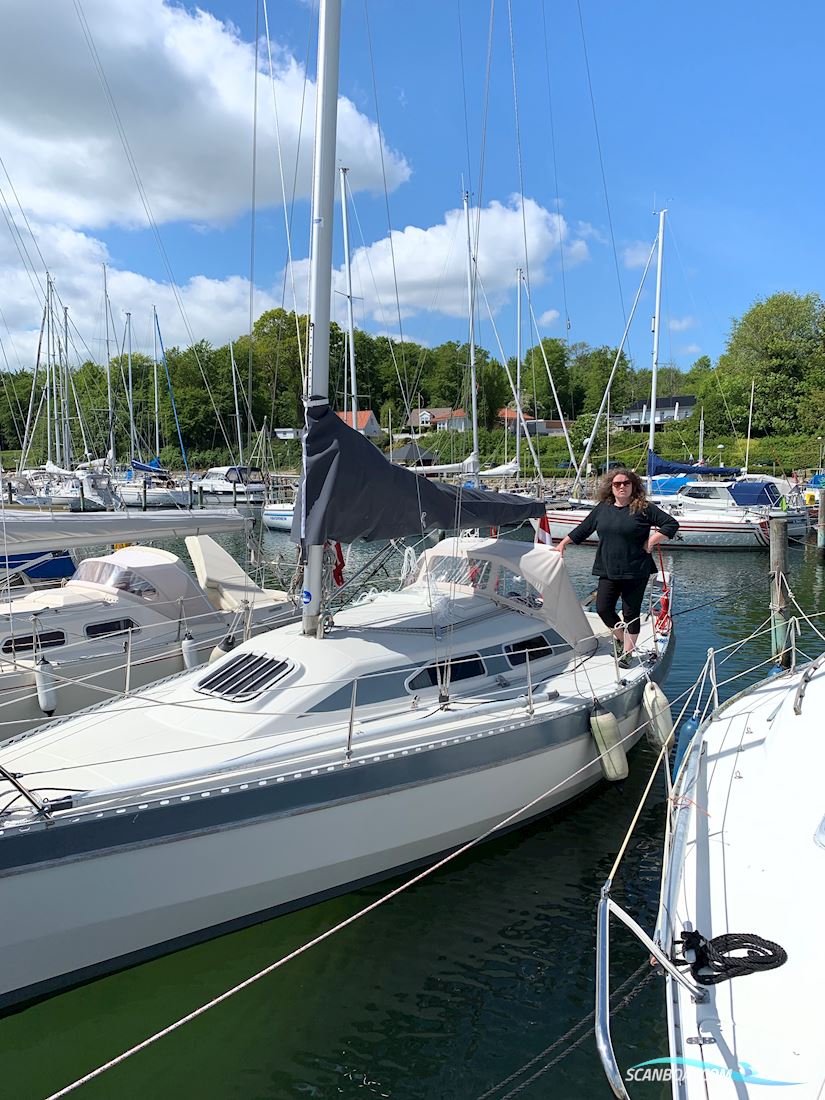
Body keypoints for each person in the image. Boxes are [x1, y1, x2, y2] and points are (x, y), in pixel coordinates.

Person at [555, 467, 679, 667]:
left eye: (626, 483)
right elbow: (584, 528)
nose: (622, 487)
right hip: (608, 568)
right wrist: (562, 544)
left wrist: (652, 541)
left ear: (633, 486)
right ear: (610, 487)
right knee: (603, 608)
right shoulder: (603, 508)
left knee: (631, 612)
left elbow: (671, 524)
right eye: (617, 484)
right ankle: (621, 639)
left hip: (635, 569)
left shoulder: (643, 508)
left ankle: (628, 653)